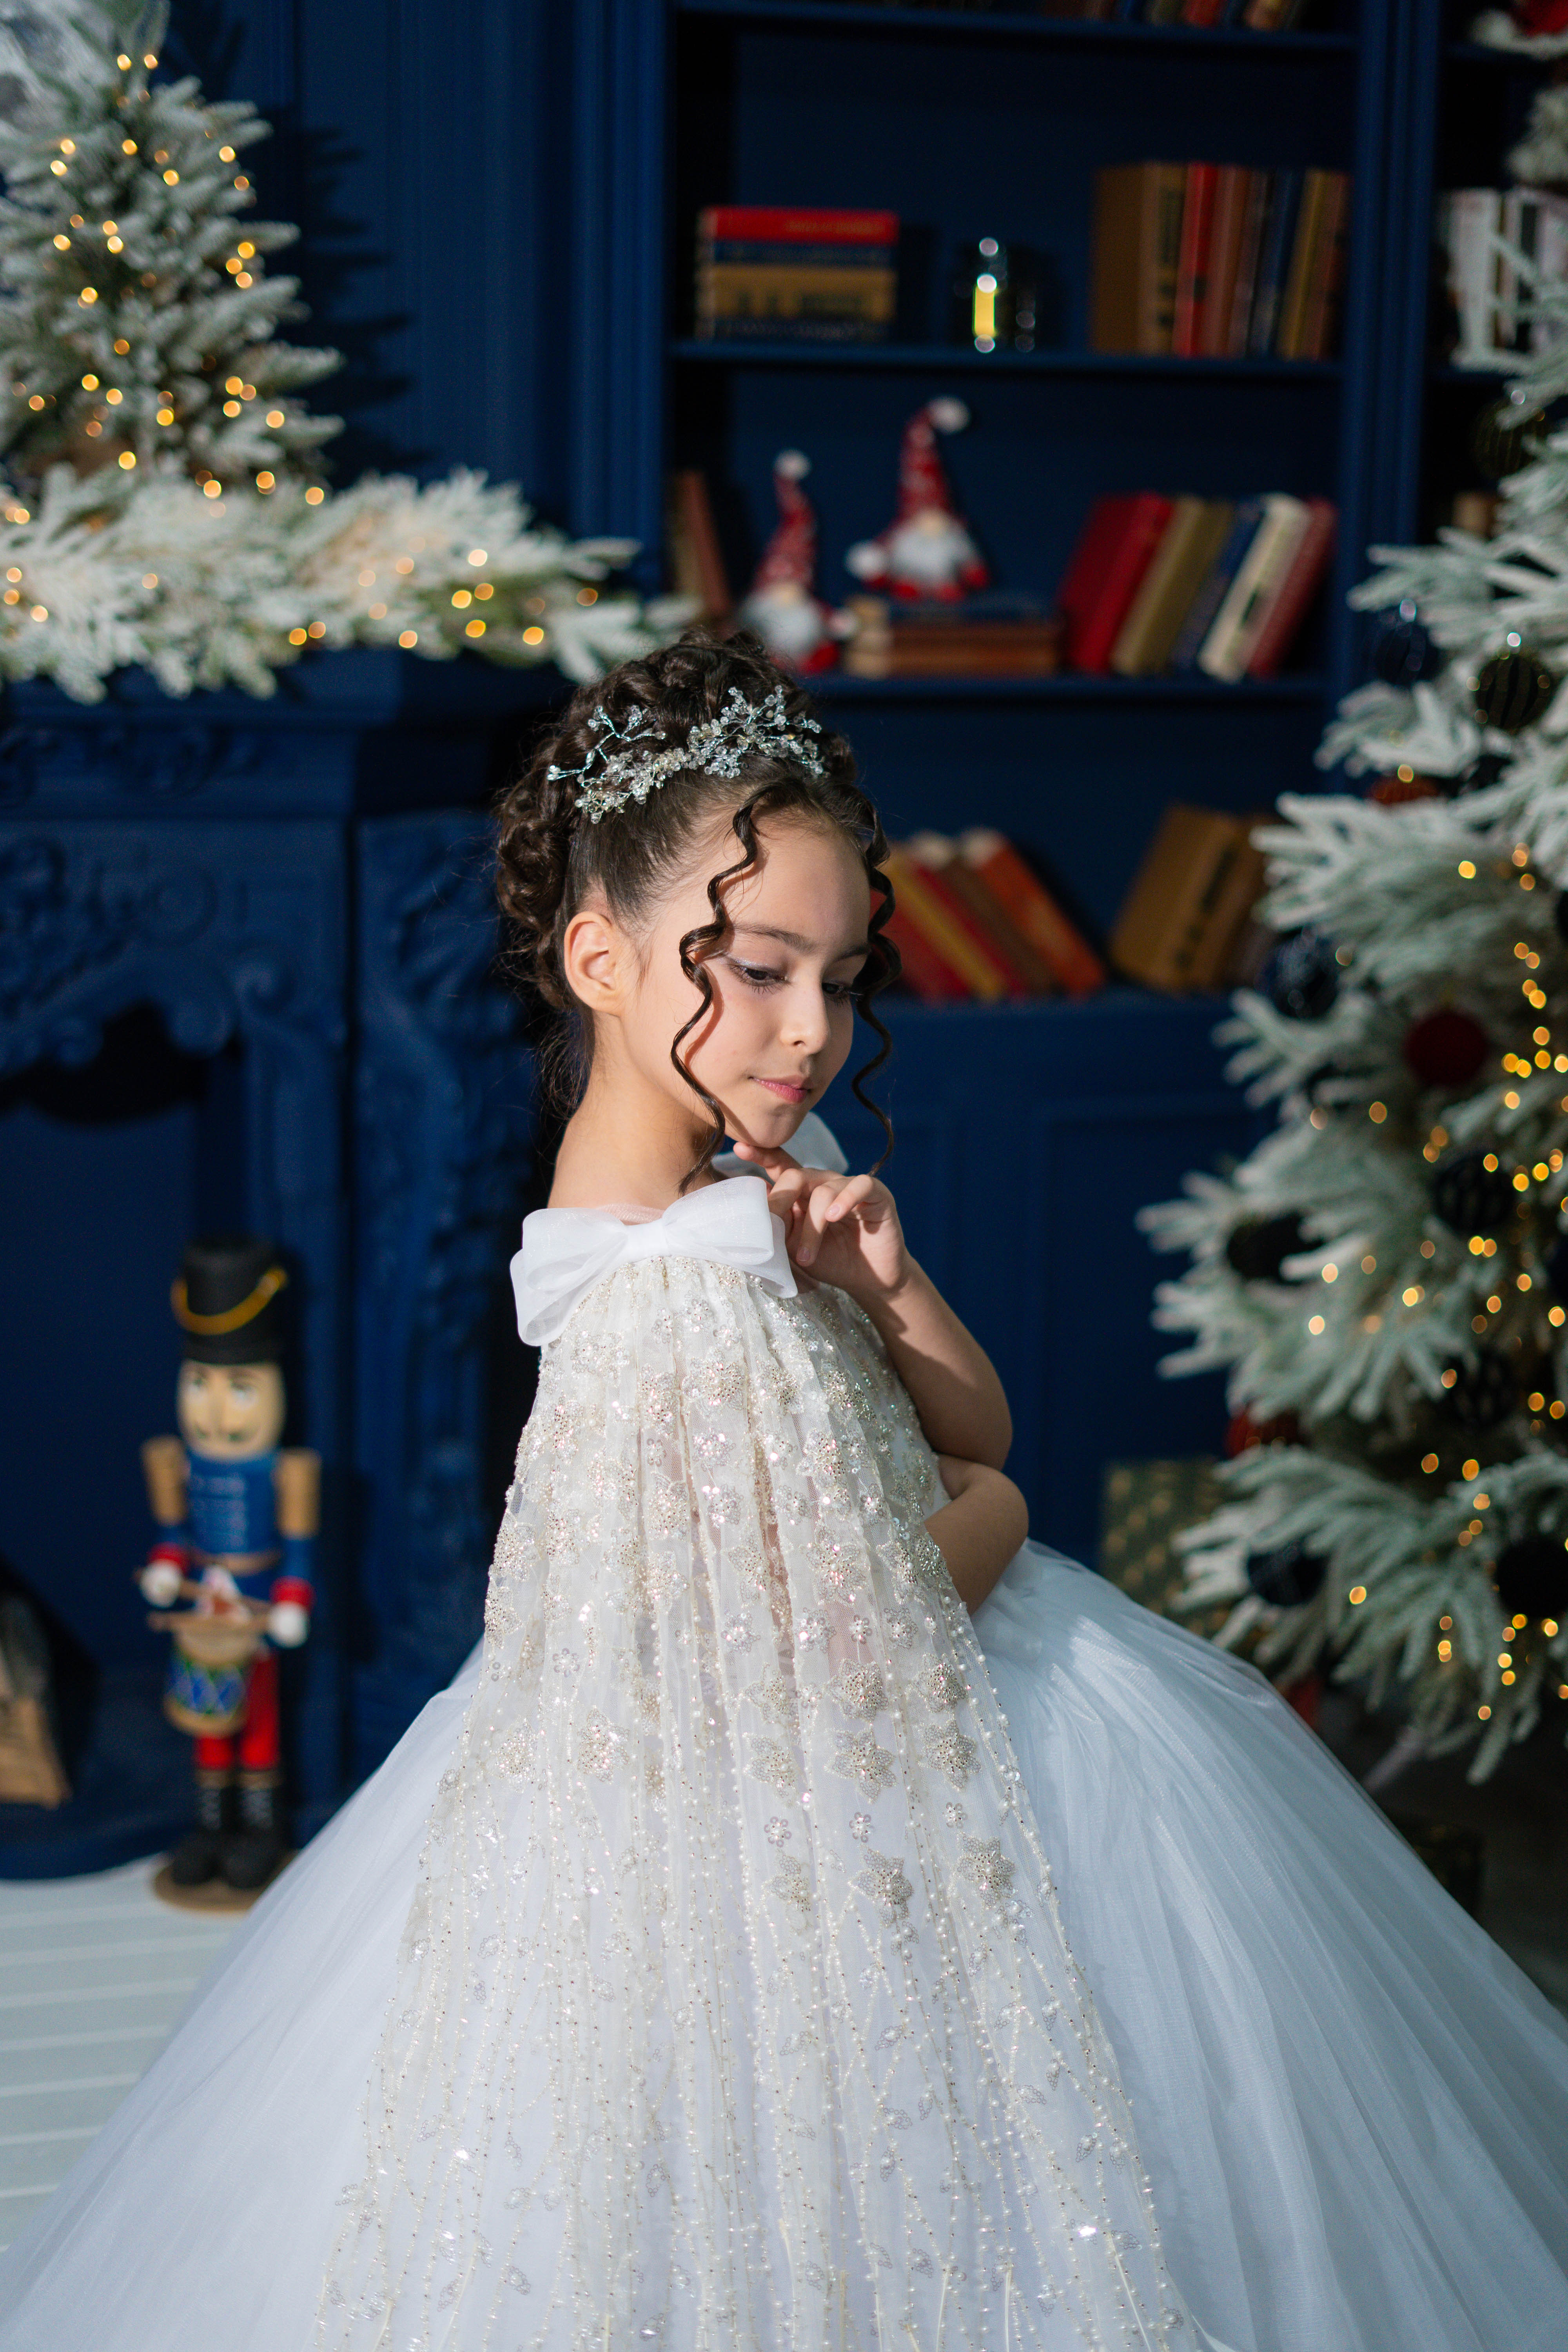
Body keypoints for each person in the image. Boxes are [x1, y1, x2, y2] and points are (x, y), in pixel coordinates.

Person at [3, 631, 1566, 2352]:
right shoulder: (675, 1298)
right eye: (753, 969)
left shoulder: (756, 1164)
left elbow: (984, 1418)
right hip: (833, 1777)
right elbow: (883, 1620)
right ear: (600, 955)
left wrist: (889, 1287)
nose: (810, 1030)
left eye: (838, 974)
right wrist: (982, 1503)